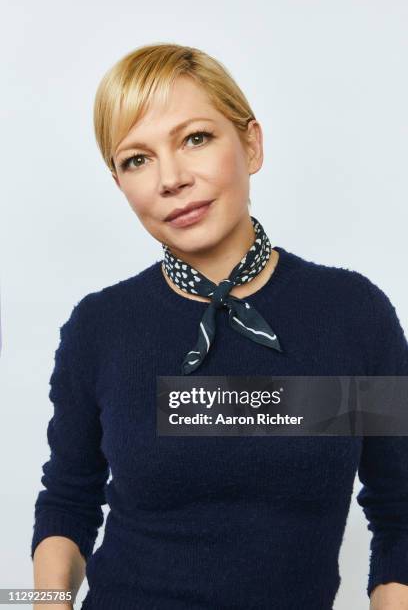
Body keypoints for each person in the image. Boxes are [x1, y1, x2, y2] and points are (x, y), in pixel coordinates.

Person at [31, 43, 408, 610]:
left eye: (195, 138)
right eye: (137, 159)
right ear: (119, 184)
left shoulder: (352, 314)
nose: (171, 178)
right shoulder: (100, 326)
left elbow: (401, 509)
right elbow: (68, 500)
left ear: (250, 144)